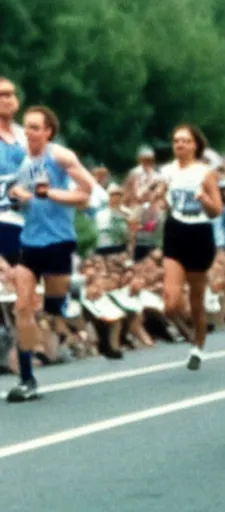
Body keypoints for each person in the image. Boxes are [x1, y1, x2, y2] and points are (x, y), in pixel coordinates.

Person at [6, 105, 95, 402]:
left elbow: (86, 193)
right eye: (26, 127)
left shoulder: (61, 156)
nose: (28, 132)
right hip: (30, 242)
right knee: (22, 307)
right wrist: (16, 195)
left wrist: (52, 194)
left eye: (34, 127)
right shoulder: (21, 161)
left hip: (59, 241)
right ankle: (27, 379)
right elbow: (16, 192)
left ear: (47, 131)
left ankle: (65, 312)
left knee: (53, 310)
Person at [160, 124, 222, 370]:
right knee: (171, 304)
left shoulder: (204, 172)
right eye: (176, 141)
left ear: (195, 145)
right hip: (175, 231)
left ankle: (198, 343)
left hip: (199, 234)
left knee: (196, 299)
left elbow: (216, 210)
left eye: (185, 141)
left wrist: (204, 199)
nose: (180, 145)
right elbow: (161, 199)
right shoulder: (166, 171)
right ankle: (190, 333)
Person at [0, 77, 26, 267]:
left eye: (11, 94)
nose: (8, 99)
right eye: (2, 95)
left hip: (25, 224)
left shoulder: (27, 137)